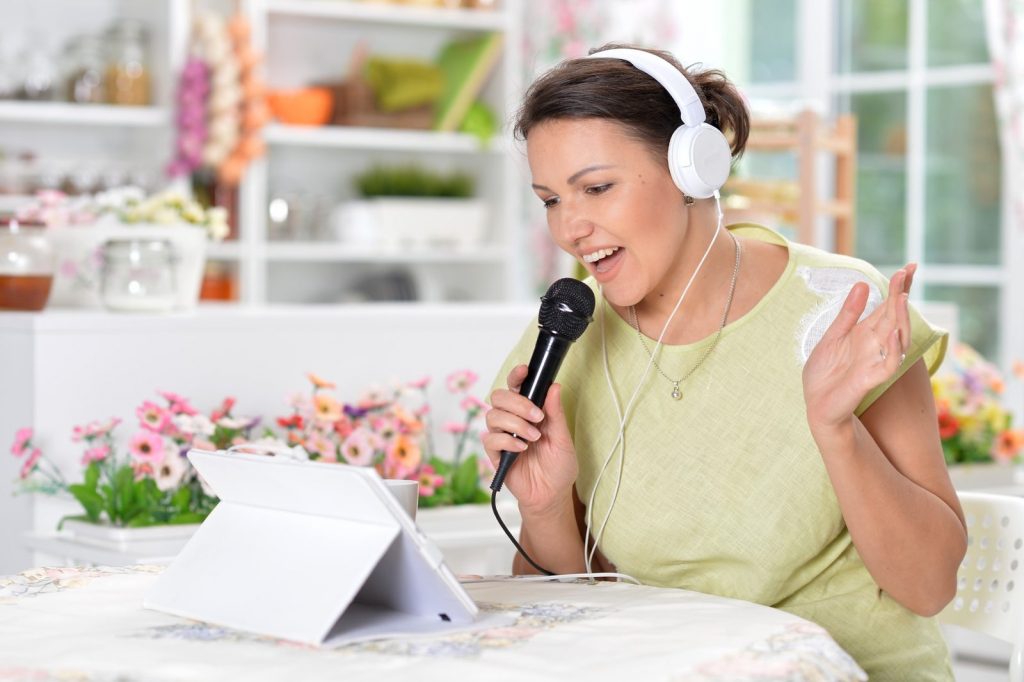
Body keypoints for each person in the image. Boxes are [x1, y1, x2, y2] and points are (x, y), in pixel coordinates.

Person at [483, 43, 966, 680]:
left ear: (693, 169)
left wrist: (837, 431)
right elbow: (564, 614)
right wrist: (544, 509)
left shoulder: (842, 307)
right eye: (550, 200)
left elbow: (930, 586)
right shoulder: (565, 337)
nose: (570, 228)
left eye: (596, 188)